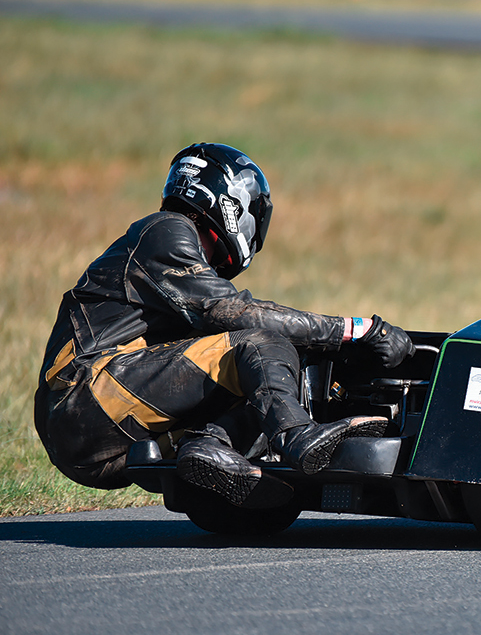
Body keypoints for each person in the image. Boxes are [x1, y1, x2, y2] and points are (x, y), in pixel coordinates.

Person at [35, 143, 415, 509]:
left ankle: (209, 446)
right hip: (85, 399)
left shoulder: (178, 267)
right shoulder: (165, 230)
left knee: (266, 370)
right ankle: (298, 439)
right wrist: (358, 328)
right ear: (231, 203)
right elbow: (237, 314)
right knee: (261, 345)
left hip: (99, 429)